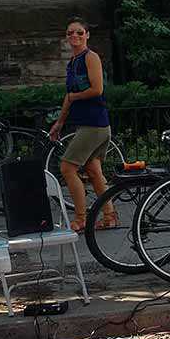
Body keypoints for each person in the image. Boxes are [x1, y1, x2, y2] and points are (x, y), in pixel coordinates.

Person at [49, 18, 116, 232]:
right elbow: (68, 96)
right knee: (94, 171)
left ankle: (81, 218)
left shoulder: (90, 57)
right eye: (70, 33)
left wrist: (75, 96)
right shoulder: (73, 62)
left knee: (67, 168)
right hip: (88, 124)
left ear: (87, 35)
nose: (74, 36)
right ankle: (109, 216)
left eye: (79, 32)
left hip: (94, 124)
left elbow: (97, 89)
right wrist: (59, 123)